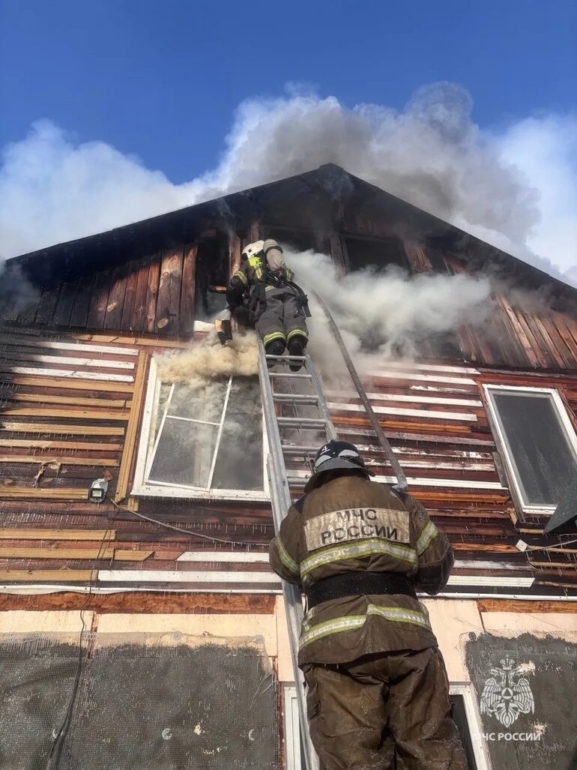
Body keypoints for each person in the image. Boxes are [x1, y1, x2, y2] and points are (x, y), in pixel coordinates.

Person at [269, 440, 467, 770]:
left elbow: (284, 565)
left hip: (337, 648)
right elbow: (436, 563)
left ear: (319, 473)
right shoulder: (400, 501)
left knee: (352, 755)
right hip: (409, 643)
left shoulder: (302, 510)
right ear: (361, 468)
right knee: (430, 748)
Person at [226, 239, 310, 370]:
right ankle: (296, 342)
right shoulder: (282, 265)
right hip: (291, 294)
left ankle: (275, 344)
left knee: (269, 316)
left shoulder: (251, 262)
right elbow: (291, 278)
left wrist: (233, 301)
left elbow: (236, 283)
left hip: (267, 295)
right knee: (292, 315)